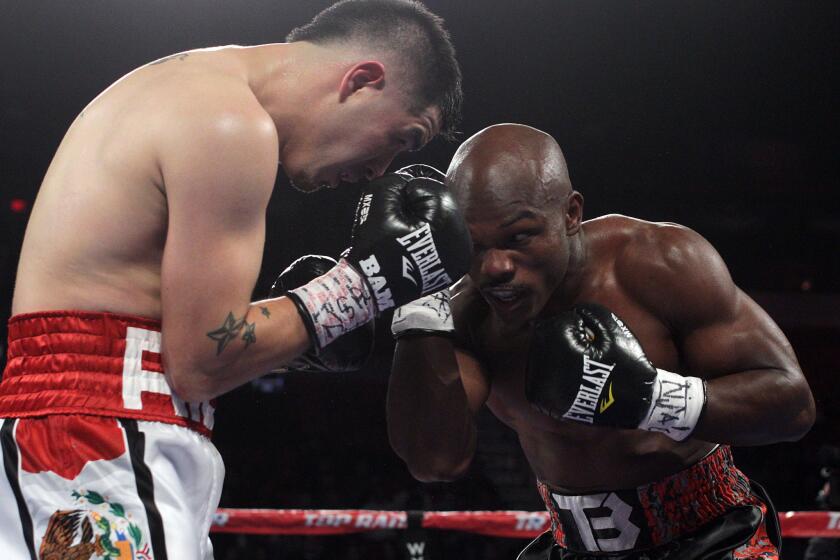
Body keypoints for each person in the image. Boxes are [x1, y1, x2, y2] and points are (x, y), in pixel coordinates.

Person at [0, 1, 470, 558]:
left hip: (87, 432)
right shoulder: (231, 122)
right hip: (103, 440)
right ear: (363, 80)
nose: (380, 171)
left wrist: (291, 333)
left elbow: (172, 342)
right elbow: (201, 361)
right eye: (405, 138)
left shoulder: (189, 86)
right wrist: (364, 287)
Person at [386, 123, 816, 559]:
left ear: (571, 214)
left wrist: (652, 401)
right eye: (474, 246)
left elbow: (792, 405)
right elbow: (434, 462)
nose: (496, 267)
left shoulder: (658, 262)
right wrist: (415, 310)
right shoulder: (465, 315)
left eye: (519, 237)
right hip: (572, 546)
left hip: (711, 536)